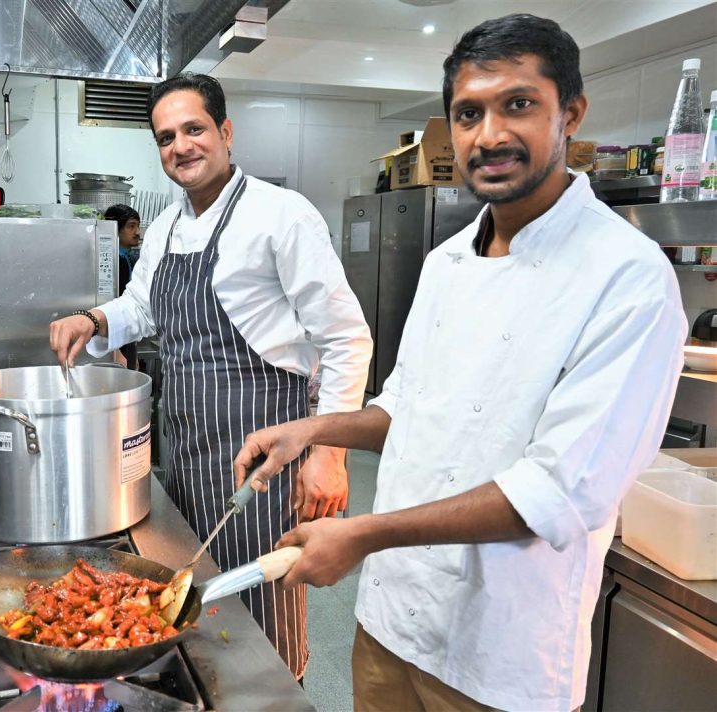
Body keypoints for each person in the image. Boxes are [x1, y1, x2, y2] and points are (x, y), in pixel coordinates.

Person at [233, 14, 686, 711]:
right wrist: (314, 431)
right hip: (392, 620)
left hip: (501, 650)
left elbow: (554, 493)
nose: (491, 133)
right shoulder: (446, 262)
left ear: (571, 113)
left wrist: (361, 535)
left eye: (519, 105)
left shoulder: (627, 277)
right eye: (469, 113)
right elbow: (409, 408)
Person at [49, 73, 372, 678]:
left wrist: (330, 454)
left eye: (194, 129)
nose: (181, 147)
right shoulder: (168, 227)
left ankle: (279, 691)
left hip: (266, 449)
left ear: (225, 132)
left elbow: (347, 339)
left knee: (263, 593)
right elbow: (143, 308)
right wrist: (93, 319)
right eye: (166, 137)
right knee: (194, 592)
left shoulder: (282, 215)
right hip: (190, 444)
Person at [104, 203, 143, 368]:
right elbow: (107, 306)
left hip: (124, 339)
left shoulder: (126, 257)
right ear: (116, 229)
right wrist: (116, 352)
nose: (138, 232)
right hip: (115, 344)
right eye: (131, 226)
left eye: (138, 226)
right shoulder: (112, 262)